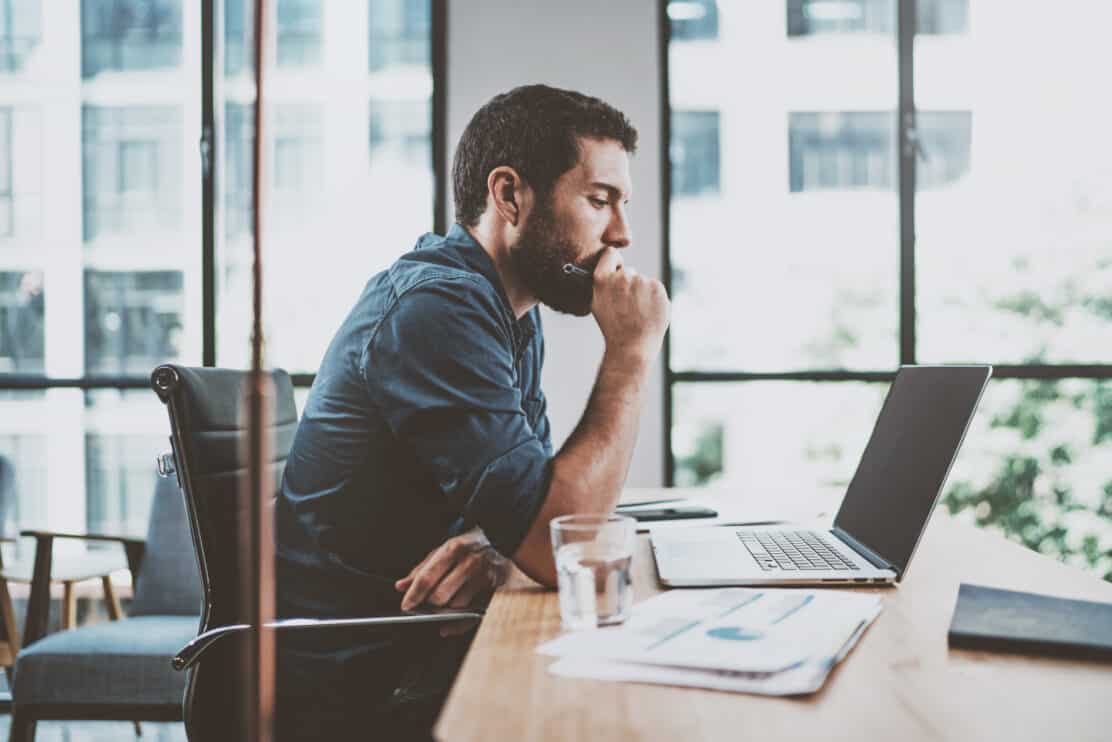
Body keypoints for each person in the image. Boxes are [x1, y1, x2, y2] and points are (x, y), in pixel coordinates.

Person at [274, 84, 669, 740]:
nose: (622, 235)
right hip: (353, 679)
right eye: (599, 201)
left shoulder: (508, 311)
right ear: (510, 195)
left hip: (420, 644)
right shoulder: (437, 308)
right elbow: (554, 545)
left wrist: (493, 542)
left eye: (622, 205)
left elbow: (537, 511)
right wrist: (631, 352)